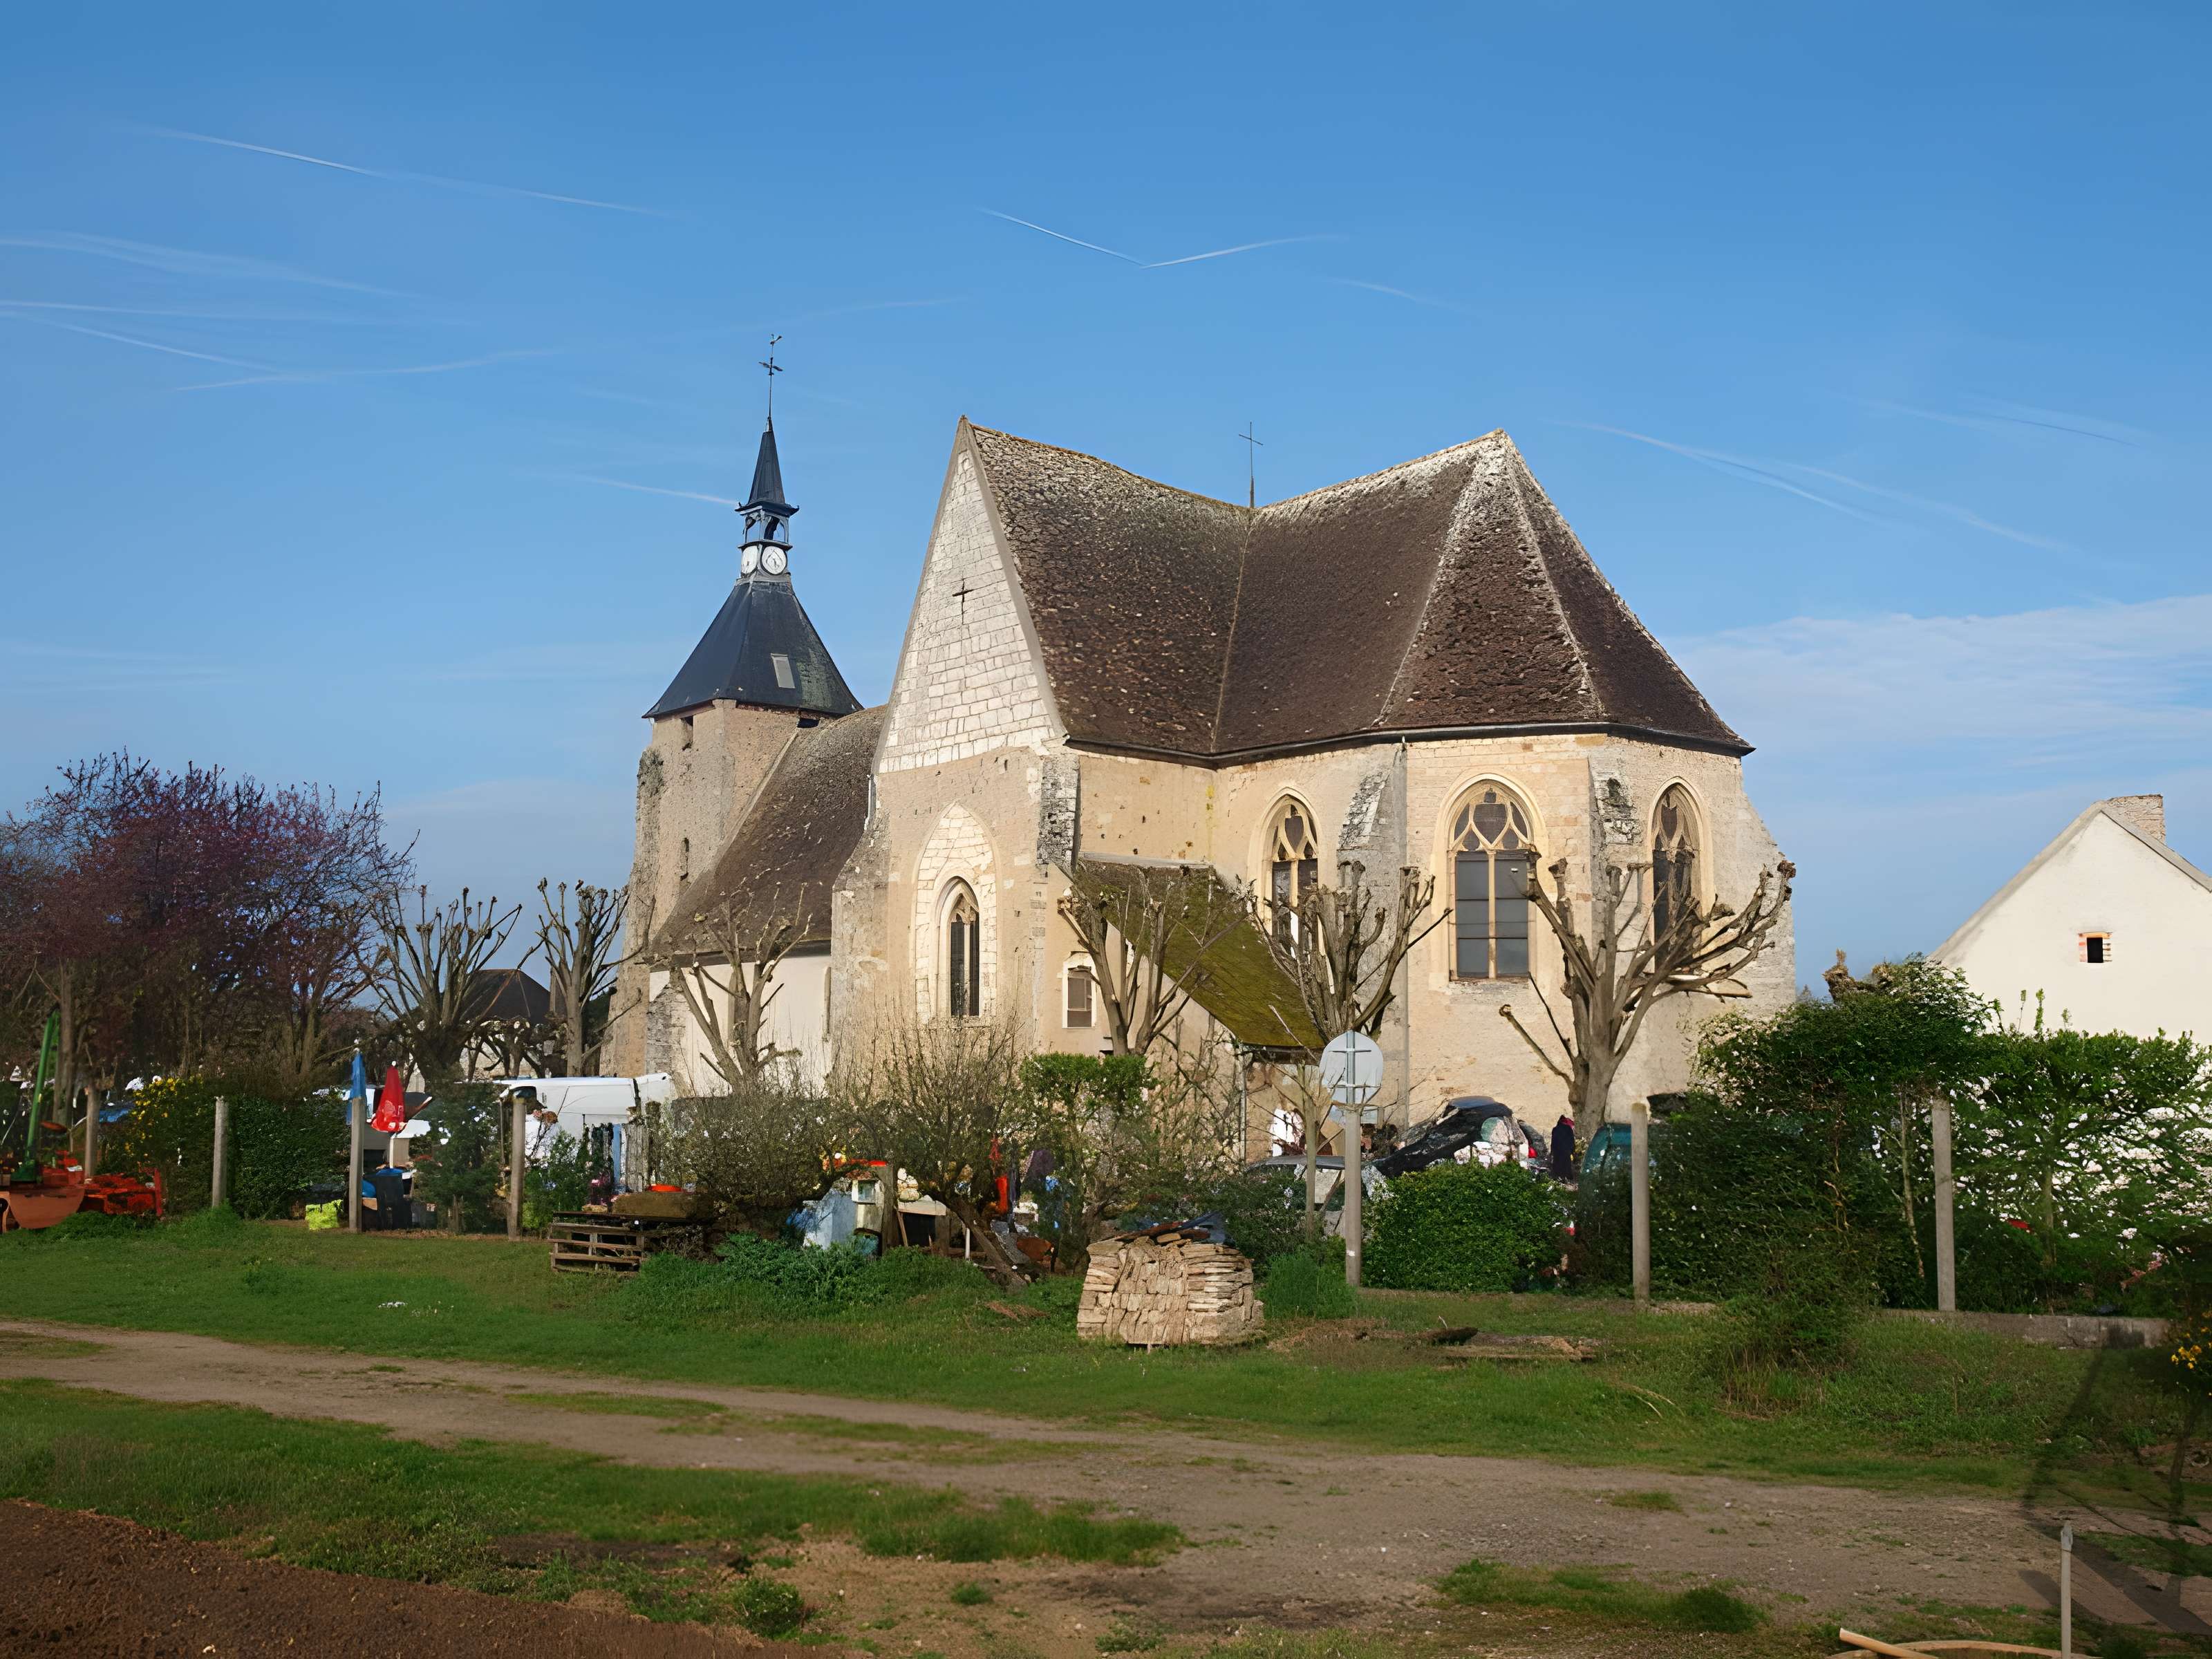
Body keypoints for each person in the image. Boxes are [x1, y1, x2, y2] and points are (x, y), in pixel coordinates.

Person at [1549, 1114, 1577, 1183]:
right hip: (1566, 1149)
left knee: (1558, 1163)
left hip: (1557, 1150)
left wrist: (1552, 1151)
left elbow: (1553, 1141)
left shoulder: (1555, 1129)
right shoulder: (1568, 1128)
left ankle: (1558, 1177)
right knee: (1566, 1163)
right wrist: (1573, 1150)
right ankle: (1567, 1177)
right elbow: (1572, 1140)